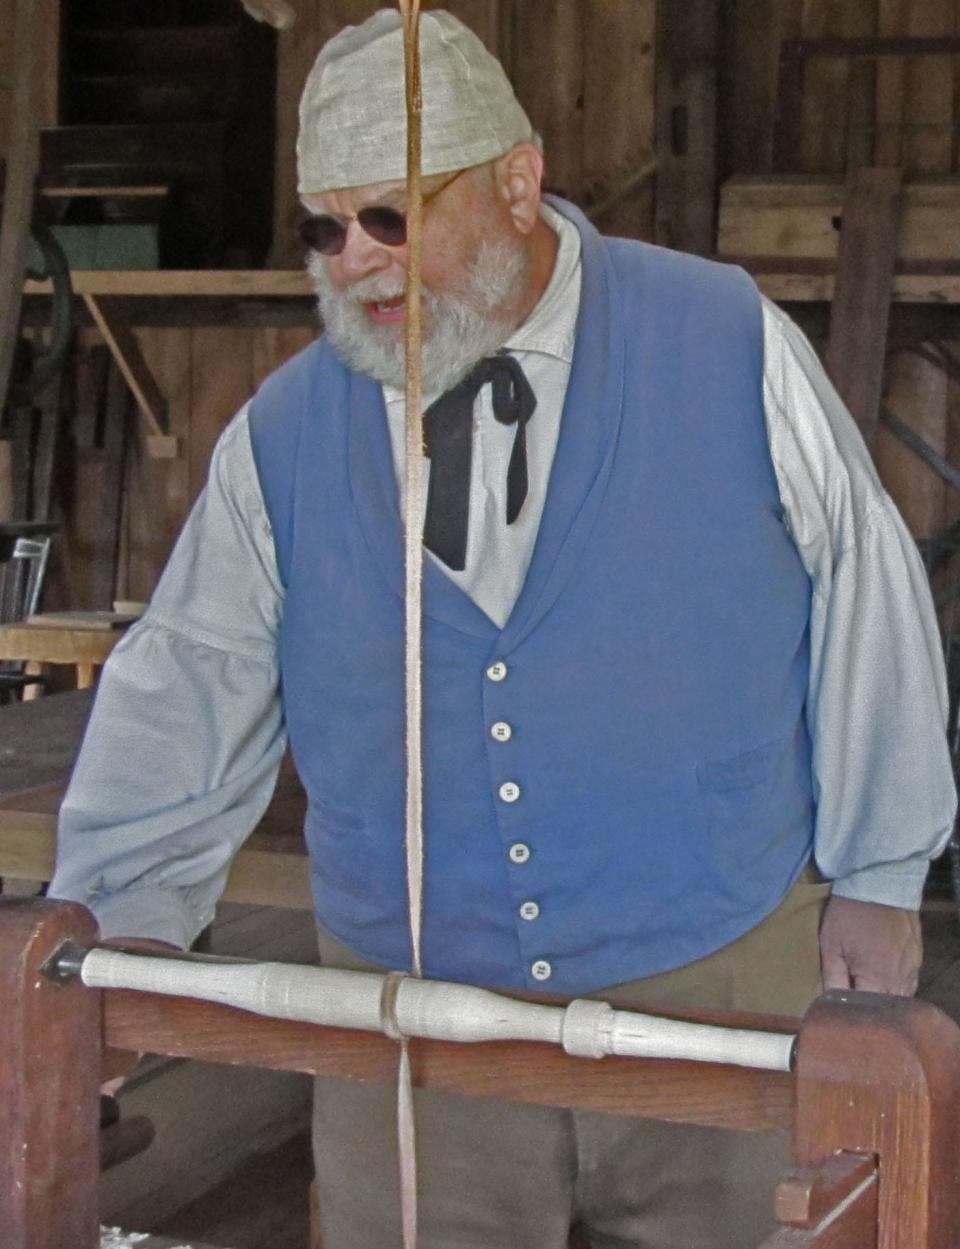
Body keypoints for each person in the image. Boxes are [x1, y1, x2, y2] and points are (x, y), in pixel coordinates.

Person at [51, 10, 956, 1248]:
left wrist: (882, 869)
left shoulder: (723, 337)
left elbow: (866, 589)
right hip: (401, 1019)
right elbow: (192, 678)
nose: (353, 261)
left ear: (517, 182)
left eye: (392, 216)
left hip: (714, 979)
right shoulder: (285, 431)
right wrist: (123, 929)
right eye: (325, 226)